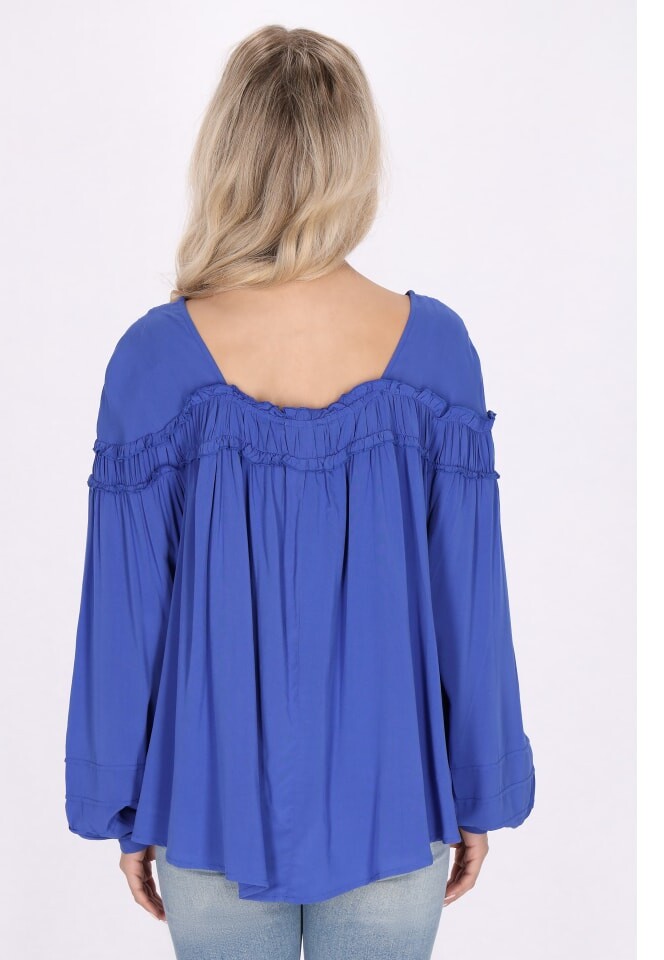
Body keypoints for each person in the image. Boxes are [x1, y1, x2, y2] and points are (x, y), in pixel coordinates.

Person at [64, 23, 535, 960]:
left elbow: (125, 616)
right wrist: (478, 788)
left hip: (206, 807)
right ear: (353, 158)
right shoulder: (436, 351)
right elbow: (470, 605)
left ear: (227, 154)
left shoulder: (154, 358)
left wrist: (123, 802)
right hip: (396, 802)